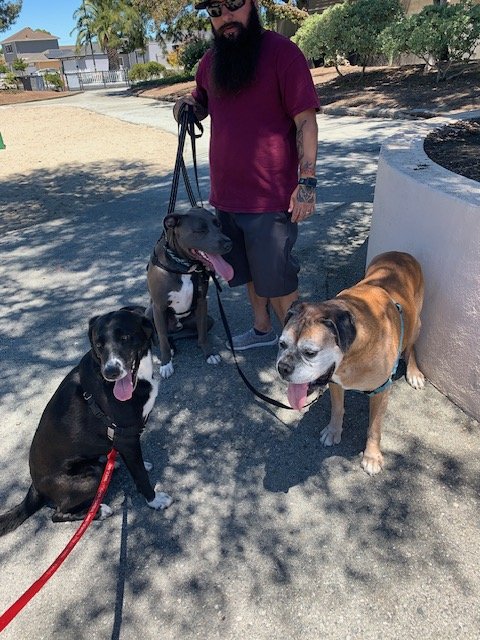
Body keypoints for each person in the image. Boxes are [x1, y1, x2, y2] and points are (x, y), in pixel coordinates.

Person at [174, 0, 319, 350]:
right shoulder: (211, 62)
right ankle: (261, 328)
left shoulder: (283, 54)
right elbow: (203, 100)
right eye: (215, 12)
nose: (226, 17)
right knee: (248, 272)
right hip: (226, 197)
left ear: (251, 5)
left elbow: (306, 121)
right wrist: (186, 107)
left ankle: (300, 351)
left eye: (233, 6)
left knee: (280, 281)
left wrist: (307, 183)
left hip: (270, 199)